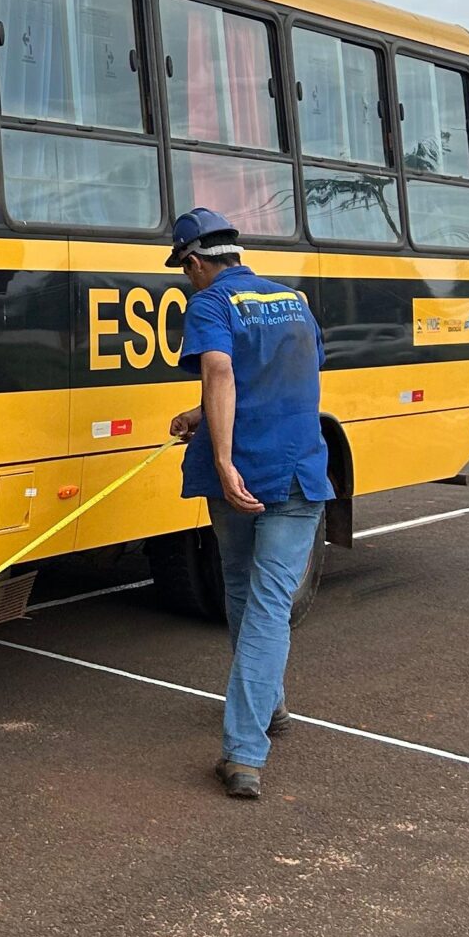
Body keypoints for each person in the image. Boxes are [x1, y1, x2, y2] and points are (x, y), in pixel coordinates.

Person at [165, 206, 329, 801]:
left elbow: (221, 372)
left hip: (242, 475)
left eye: (185, 270)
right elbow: (287, 378)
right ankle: (271, 705)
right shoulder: (293, 301)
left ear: (195, 261)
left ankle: (242, 753)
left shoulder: (210, 304)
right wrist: (196, 418)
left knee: (250, 598)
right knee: (260, 599)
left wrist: (227, 460)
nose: (187, 280)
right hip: (298, 472)